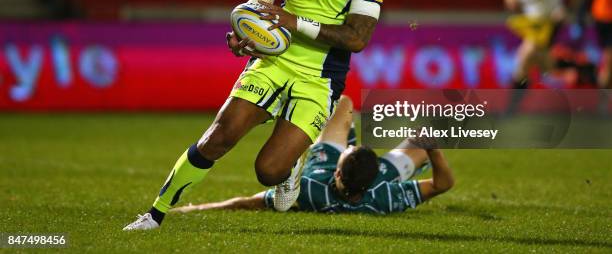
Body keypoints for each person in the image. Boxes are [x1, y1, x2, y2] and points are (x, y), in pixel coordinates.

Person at [124, 0, 385, 230]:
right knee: (218, 136)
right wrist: (245, 35)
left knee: (268, 171)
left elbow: (356, 38)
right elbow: (259, 5)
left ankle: (290, 167)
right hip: (272, 61)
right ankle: (154, 215)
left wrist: (293, 21)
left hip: (319, 77)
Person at [171, 96, 454, 215]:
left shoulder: (310, 192)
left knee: (342, 102)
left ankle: (346, 139)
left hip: (325, 158)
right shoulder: (384, 196)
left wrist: (196, 209)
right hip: (371, 175)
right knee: (427, 133)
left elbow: (246, 203)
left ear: (338, 172)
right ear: (378, 171)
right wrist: (433, 148)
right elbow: (443, 184)